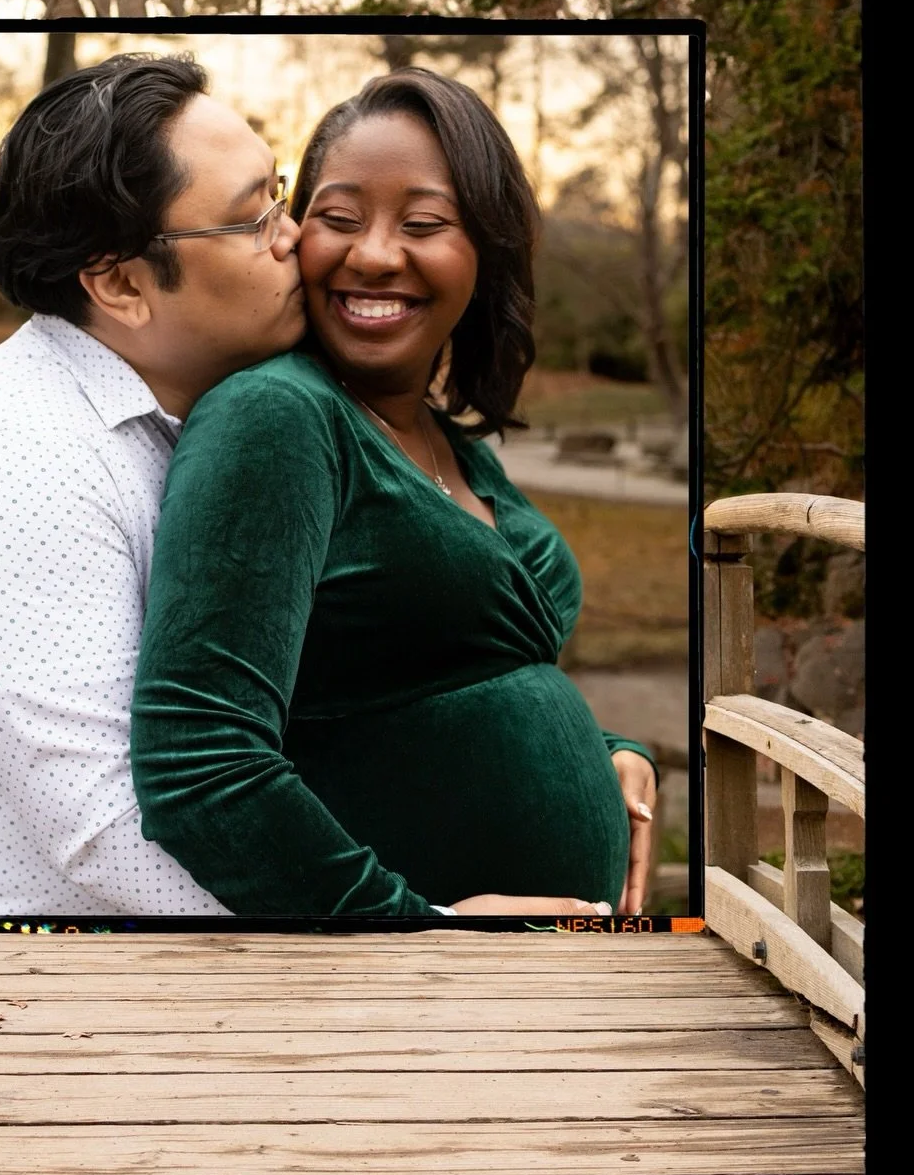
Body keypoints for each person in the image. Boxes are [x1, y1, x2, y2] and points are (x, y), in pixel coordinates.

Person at [130, 66, 660, 918]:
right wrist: (415, 930)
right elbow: (199, 760)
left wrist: (607, 755)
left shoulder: (447, 439)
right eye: (338, 219)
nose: (373, 255)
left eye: (423, 224)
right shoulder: (277, 417)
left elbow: (413, 685)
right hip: (394, 982)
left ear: (484, 251)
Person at [0, 52, 307, 915]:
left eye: (280, 194)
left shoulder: (215, 406)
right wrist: (402, 930)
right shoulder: (9, 460)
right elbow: (108, 834)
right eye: (253, 218)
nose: (294, 237)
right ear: (120, 284)